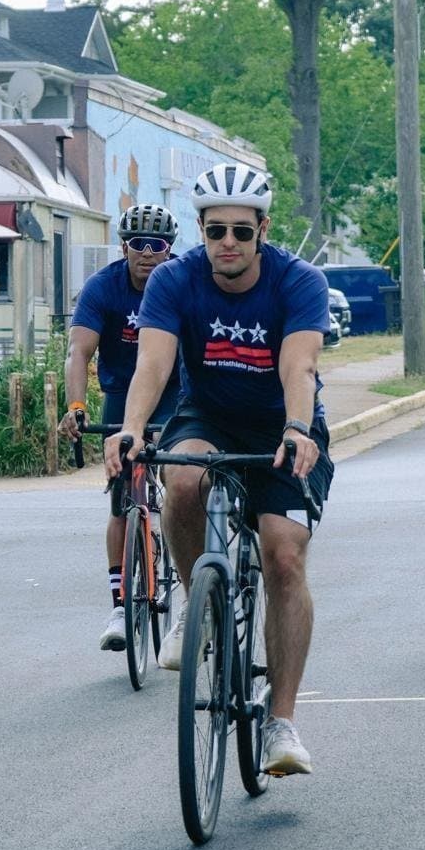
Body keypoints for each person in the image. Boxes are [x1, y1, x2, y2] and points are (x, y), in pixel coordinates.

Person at [103, 162, 334, 776]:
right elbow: (152, 366)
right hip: (206, 413)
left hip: (282, 420)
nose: (227, 244)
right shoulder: (174, 281)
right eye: (214, 232)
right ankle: (194, 600)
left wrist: (297, 428)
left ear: (263, 229)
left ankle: (281, 722)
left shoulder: (298, 281)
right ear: (200, 232)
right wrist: (129, 430)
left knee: (285, 554)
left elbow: (299, 367)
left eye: (241, 231)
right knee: (180, 479)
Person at [58, 203, 183, 652]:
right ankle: (119, 604)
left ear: (171, 249)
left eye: (159, 245)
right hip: (119, 393)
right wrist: (75, 405)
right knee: (120, 501)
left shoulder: (181, 283)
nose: (148, 254)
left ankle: (188, 586)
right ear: (123, 247)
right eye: (138, 245)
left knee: (181, 483)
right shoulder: (103, 287)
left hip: (174, 394)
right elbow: (78, 352)